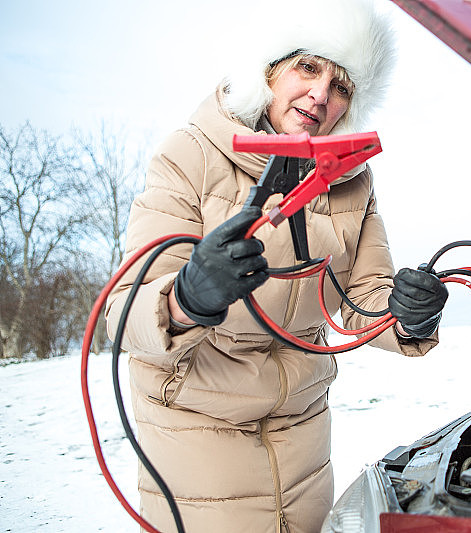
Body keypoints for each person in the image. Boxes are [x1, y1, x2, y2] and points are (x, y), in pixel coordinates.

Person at [105, 1, 448, 531]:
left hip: (304, 437)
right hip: (198, 433)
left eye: (342, 87)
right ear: (270, 69)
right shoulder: (189, 153)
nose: (320, 94)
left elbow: (366, 296)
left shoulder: (353, 180)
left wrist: (408, 314)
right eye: (308, 67)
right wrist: (188, 298)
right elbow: (125, 315)